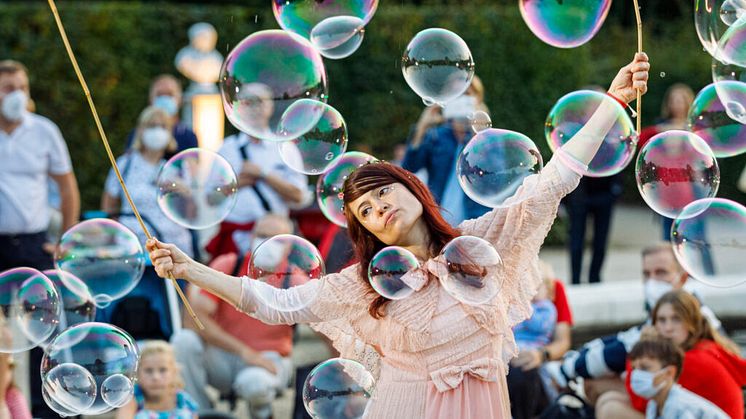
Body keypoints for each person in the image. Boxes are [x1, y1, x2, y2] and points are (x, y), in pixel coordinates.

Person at [148, 54, 649, 418]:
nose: (377, 207)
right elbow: (274, 303)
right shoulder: (365, 284)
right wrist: (188, 268)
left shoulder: (482, 241)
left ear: (413, 188)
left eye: (383, 192)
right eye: (364, 209)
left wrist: (613, 100)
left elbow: (557, 176)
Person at [0, 60, 81, 418]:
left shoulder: (44, 130)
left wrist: (65, 236)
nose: (14, 94)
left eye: (20, 86)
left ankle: (40, 408)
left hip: (32, 242)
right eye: (6, 87)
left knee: (41, 328)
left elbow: (66, 186)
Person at [545, 243, 723, 403]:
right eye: (646, 274)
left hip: (691, 399)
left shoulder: (683, 313)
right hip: (679, 392)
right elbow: (624, 341)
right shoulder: (685, 305)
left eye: (661, 272)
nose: (652, 281)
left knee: (603, 397)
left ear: (682, 277)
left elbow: (620, 351)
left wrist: (564, 371)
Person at [172, 214, 296, 418]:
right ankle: (202, 413)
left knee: (255, 383)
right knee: (183, 340)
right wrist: (245, 351)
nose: (267, 242)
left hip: (268, 360)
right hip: (225, 356)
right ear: (251, 237)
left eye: (277, 238)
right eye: (262, 235)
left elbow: (324, 320)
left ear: (289, 247)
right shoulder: (229, 265)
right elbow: (193, 320)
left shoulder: (295, 278)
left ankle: (262, 414)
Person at [595, 290, 746, 418]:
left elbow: (640, 401)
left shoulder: (693, 360)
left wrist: (642, 350)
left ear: (691, 323)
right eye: (661, 320)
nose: (668, 328)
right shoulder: (701, 347)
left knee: (611, 410)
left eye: (676, 320)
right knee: (607, 399)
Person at [206, 83, 308, 259]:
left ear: (270, 107)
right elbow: (210, 198)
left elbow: (299, 197)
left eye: (259, 102)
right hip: (234, 240)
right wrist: (237, 182)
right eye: (248, 102)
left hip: (273, 241)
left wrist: (263, 175)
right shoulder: (227, 148)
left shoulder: (284, 148)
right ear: (239, 108)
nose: (254, 108)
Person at [102, 106, 193, 256]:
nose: (157, 131)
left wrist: (184, 193)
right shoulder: (125, 164)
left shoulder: (179, 168)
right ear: (141, 130)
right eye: (152, 126)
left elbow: (191, 215)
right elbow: (109, 206)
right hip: (132, 249)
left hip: (174, 250)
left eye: (163, 126)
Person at [402, 76, 491, 226]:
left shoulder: (487, 138)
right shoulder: (435, 135)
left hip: (477, 222)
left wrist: (480, 133)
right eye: (457, 94)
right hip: (440, 222)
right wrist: (422, 127)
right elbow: (409, 167)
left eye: (467, 94)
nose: (462, 98)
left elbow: (495, 175)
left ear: (478, 100)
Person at [508, 260, 573, 417]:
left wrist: (540, 355)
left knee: (524, 372)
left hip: (534, 358)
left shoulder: (550, 290)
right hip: (510, 352)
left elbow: (563, 341)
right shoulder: (513, 286)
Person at [638, 83, 695, 240]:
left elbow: (705, 154)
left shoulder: (695, 130)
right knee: (667, 239)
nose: (677, 104)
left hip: (692, 191)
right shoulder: (659, 129)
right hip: (666, 191)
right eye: (674, 100)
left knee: (694, 241)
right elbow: (639, 141)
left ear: (688, 102)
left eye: (680, 100)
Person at [626, 335, 728, 419]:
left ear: (669, 372)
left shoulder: (681, 408)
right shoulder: (653, 405)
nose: (637, 374)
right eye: (634, 368)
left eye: (645, 368)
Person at [116, 340, 199, 419]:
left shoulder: (184, 401)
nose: (156, 377)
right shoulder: (133, 400)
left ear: (174, 372)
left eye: (163, 370)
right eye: (148, 370)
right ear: (138, 373)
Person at [125, 75, 198, 157]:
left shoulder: (187, 136)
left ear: (180, 99)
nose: (164, 98)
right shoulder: (137, 133)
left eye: (170, 94)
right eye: (159, 94)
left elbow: (192, 166)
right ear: (150, 99)